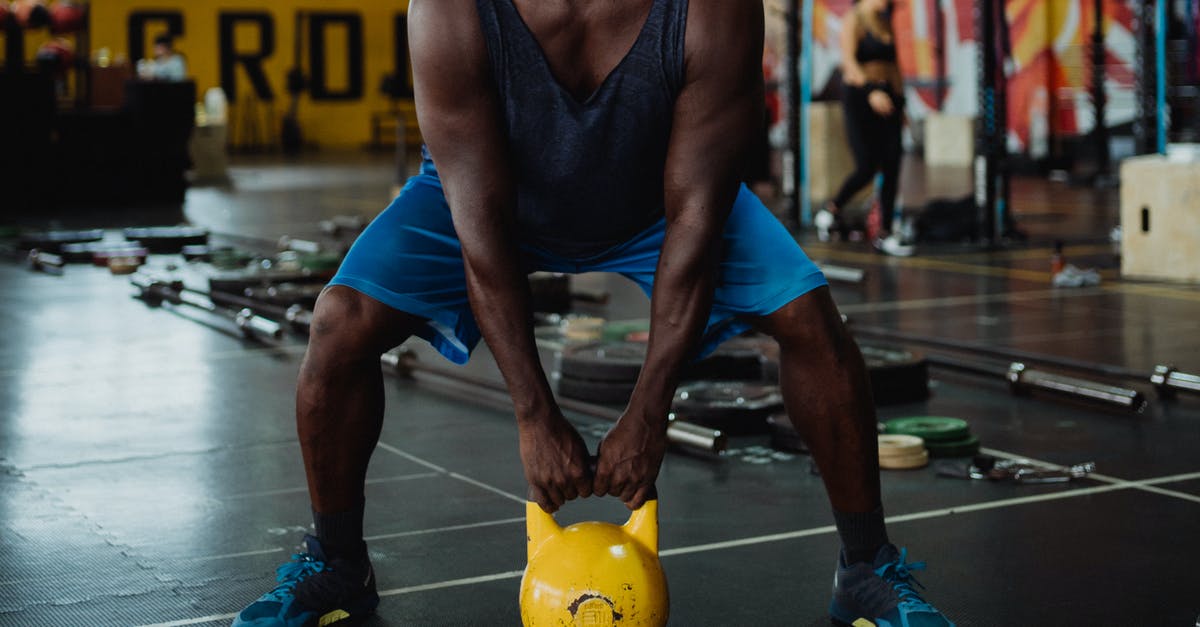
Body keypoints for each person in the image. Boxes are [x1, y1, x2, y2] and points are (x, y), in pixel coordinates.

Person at [231, 1, 953, 626]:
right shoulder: (450, 12)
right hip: (493, 203)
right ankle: (337, 560)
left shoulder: (710, 9)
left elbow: (696, 226)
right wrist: (533, 414)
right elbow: (480, 230)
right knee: (340, 322)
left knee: (810, 321)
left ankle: (866, 567)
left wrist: (649, 411)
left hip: (655, 203)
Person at [815, 0, 913, 256]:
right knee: (867, 165)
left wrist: (901, 105)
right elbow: (849, 63)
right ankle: (832, 208)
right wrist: (871, 92)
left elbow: (894, 67)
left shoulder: (885, 21)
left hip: (888, 96)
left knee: (893, 162)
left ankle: (886, 232)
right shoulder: (855, 19)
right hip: (860, 96)